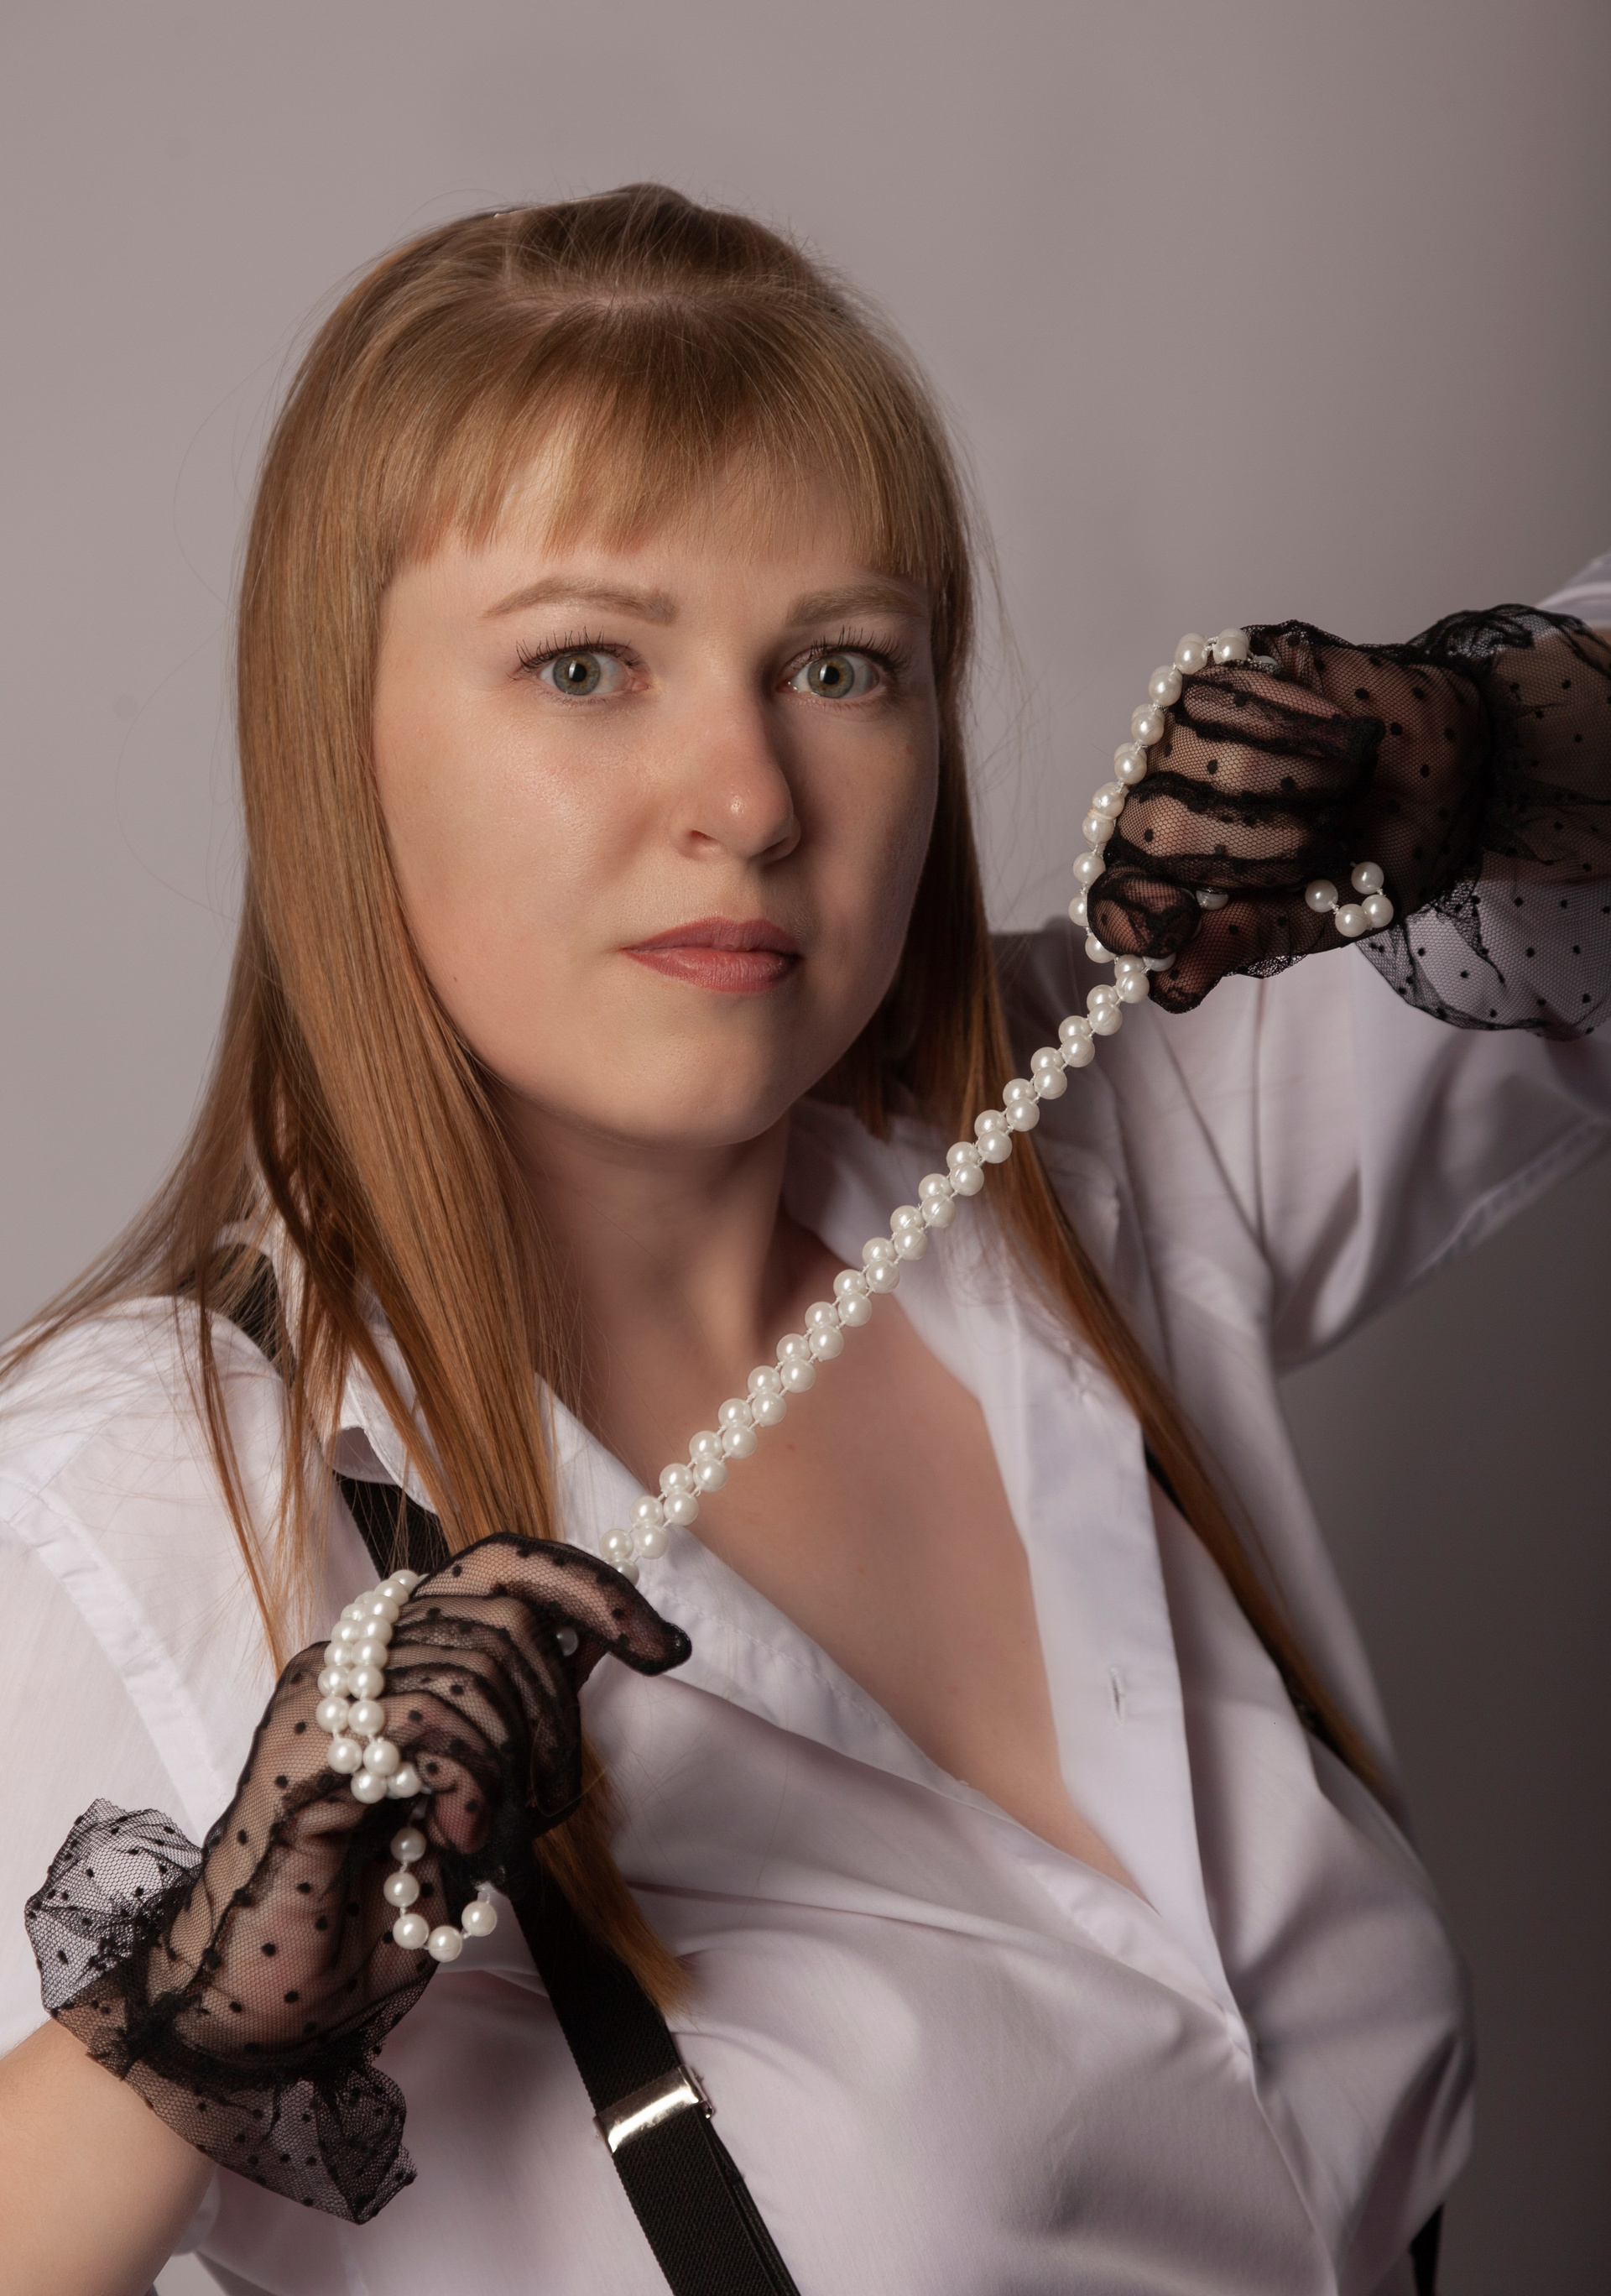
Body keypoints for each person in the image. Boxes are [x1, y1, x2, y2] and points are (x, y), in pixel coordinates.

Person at [0, 186, 1606, 2296]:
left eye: (842, 666)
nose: (751, 798)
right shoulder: (150, 1485)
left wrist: (1486, 745)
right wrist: (181, 2045)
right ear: (335, 741)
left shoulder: (1090, 1117)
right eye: (587, 664)